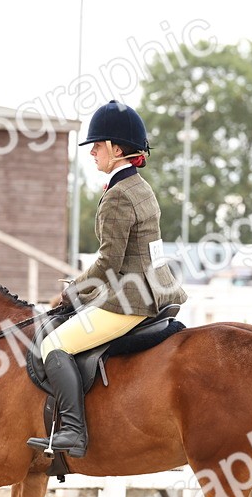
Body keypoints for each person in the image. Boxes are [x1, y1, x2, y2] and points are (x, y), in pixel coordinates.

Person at [27, 100, 188, 458]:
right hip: (156, 290)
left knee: (54, 346)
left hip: (130, 300)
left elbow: (108, 263)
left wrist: (71, 291)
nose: (93, 153)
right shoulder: (140, 187)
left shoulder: (117, 197)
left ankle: (73, 432)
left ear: (118, 149)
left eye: (97, 146)